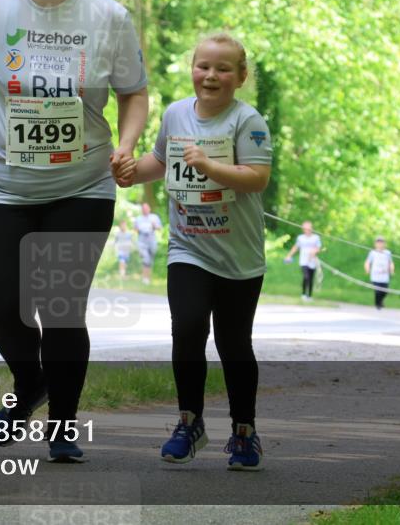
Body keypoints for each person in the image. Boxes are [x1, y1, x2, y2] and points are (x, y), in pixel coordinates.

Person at [0, 0, 148, 462]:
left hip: (82, 184)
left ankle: (62, 423)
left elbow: (134, 91)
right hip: (3, 184)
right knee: (4, 311)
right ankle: (30, 384)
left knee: (61, 308)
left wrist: (127, 145)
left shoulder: (108, 17)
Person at [115, 32, 272, 471]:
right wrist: (128, 172)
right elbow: (160, 161)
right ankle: (189, 422)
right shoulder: (176, 114)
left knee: (233, 343)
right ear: (192, 70)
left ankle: (244, 432)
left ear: (240, 77)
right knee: (186, 329)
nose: (211, 75)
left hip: (238, 257)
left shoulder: (248, 121)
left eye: (223, 69)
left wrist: (210, 167)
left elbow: (257, 178)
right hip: (188, 248)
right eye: (203, 66)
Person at [284, 221, 322, 301]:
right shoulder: (300, 238)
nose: (307, 230)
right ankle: (304, 294)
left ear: (311, 229)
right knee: (306, 277)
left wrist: (314, 251)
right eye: (305, 228)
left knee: (311, 278)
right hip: (303, 261)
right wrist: (289, 255)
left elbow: (318, 248)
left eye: (308, 228)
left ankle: (310, 296)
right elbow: (295, 247)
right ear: (303, 229)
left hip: (312, 261)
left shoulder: (316, 237)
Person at [133, 203, 163, 284]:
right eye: (143, 208)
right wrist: (137, 229)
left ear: (149, 209)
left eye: (146, 208)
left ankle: (148, 278)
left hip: (152, 240)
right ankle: (144, 278)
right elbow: (135, 229)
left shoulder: (154, 217)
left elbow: (160, 228)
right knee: (145, 258)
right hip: (142, 240)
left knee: (150, 260)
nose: (145, 210)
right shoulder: (138, 218)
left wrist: (154, 226)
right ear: (142, 210)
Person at [365, 237, 394, 310]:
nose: (380, 244)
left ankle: (381, 301)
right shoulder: (372, 252)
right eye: (378, 242)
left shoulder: (387, 253)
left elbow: (390, 262)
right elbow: (368, 262)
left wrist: (392, 270)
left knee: (384, 291)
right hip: (375, 275)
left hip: (384, 275)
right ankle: (377, 304)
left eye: (381, 242)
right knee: (377, 291)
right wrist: (367, 269)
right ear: (375, 244)